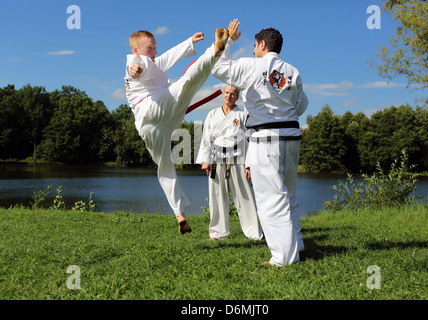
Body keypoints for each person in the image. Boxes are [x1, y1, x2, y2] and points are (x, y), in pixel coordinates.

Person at [212, 20, 308, 266]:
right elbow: (302, 105)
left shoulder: (252, 66)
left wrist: (229, 41)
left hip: (265, 138)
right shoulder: (292, 71)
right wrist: (283, 112)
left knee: (271, 198)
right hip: (291, 137)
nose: (253, 49)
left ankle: (284, 258)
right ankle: (297, 244)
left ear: (262, 44)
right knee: (289, 193)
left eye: (255, 45)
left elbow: (219, 68)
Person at [124, 26, 230, 234]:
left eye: (155, 47)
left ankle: (179, 214)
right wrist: (134, 70)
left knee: (165, 166)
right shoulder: (137, 61)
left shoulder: (155, 62)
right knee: (187, 82)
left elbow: (170, 55)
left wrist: (189, 42)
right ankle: (214, 51)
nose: (154, 51)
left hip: (151, 128)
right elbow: (135, 67)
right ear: (136, 50)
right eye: (149, 48)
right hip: (153, 108)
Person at [196, 84, 264, 241]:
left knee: (245, 196)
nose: (229, 96)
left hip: (238, 159)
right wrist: (205, 160)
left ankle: (253, 233)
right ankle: (217, 233)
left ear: (237, 97)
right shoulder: (212, 114)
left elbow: (249, 141)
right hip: (216, 159)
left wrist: (249, 165)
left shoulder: (242, 115)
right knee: (217, 197)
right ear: (223, 94)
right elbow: (206, 138)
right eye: (227, 92)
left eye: (233, 94)